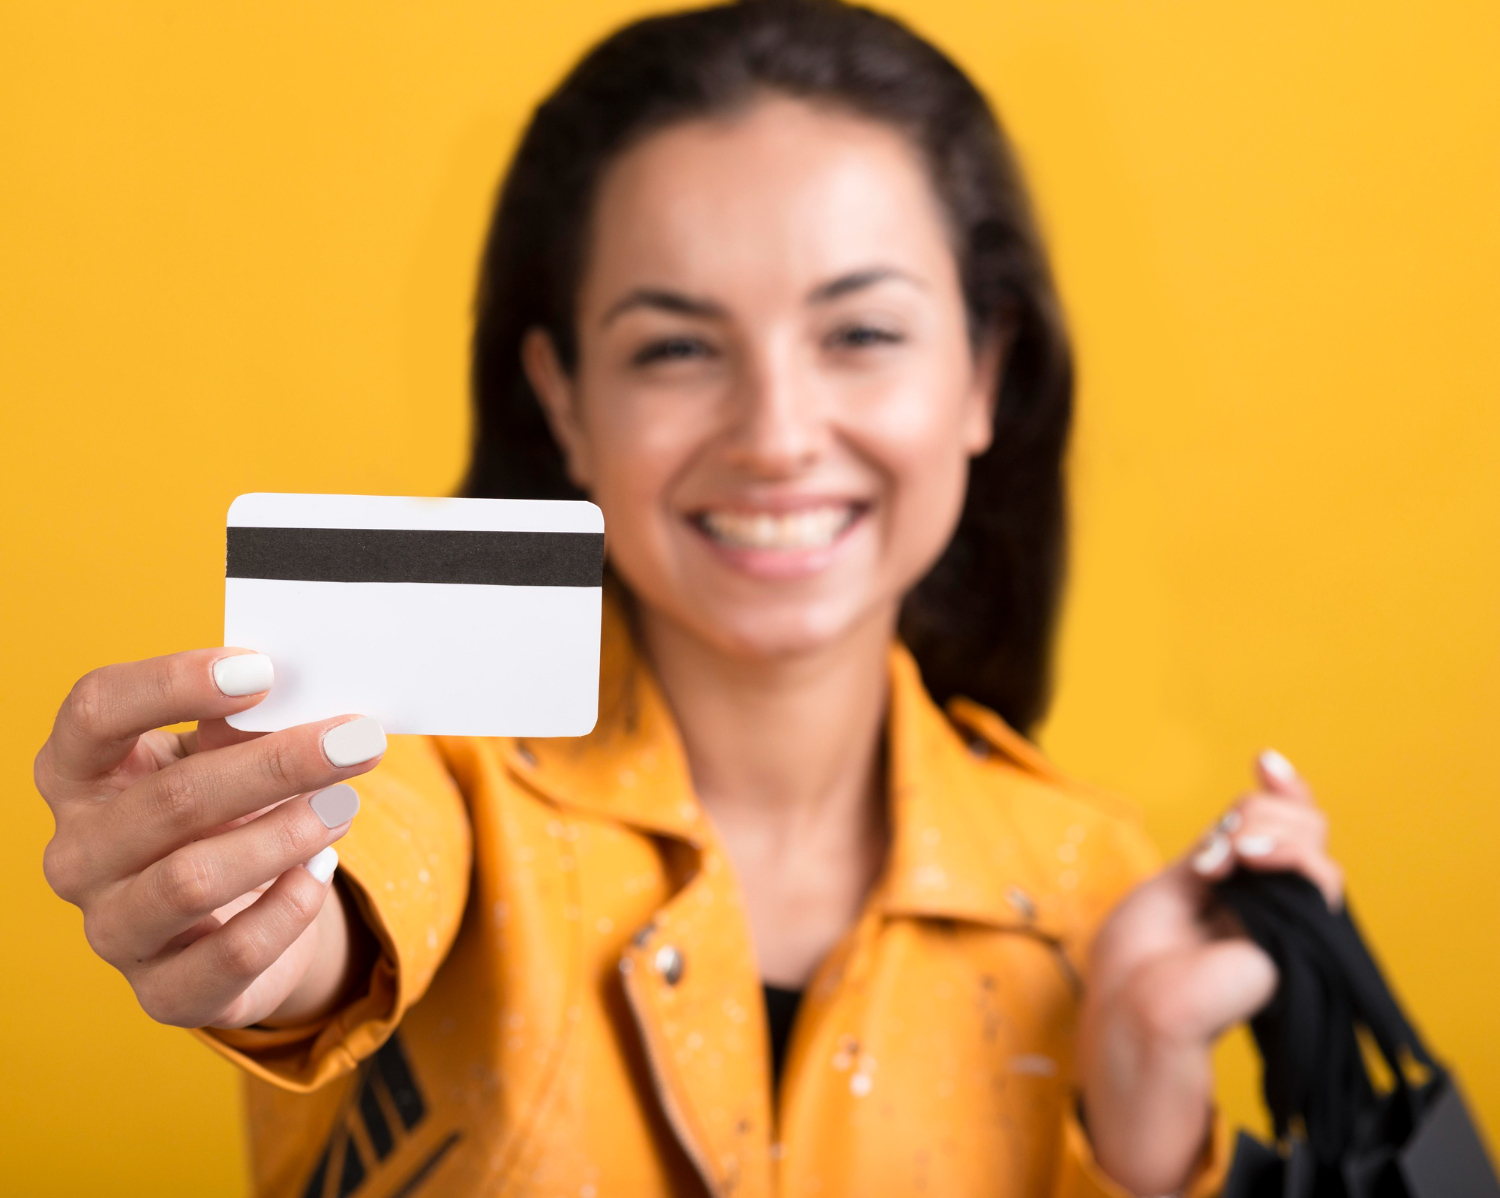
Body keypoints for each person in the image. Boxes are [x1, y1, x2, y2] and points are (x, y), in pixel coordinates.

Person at [33, 3, 1345, 1195]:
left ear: (985, 375)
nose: (777, 433)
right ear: (563, 404)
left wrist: (1144, 1097)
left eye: (862, 333)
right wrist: (242, 917)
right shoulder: (424, 768)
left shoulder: (1099, 891)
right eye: (675, 347)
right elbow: (321, 918)